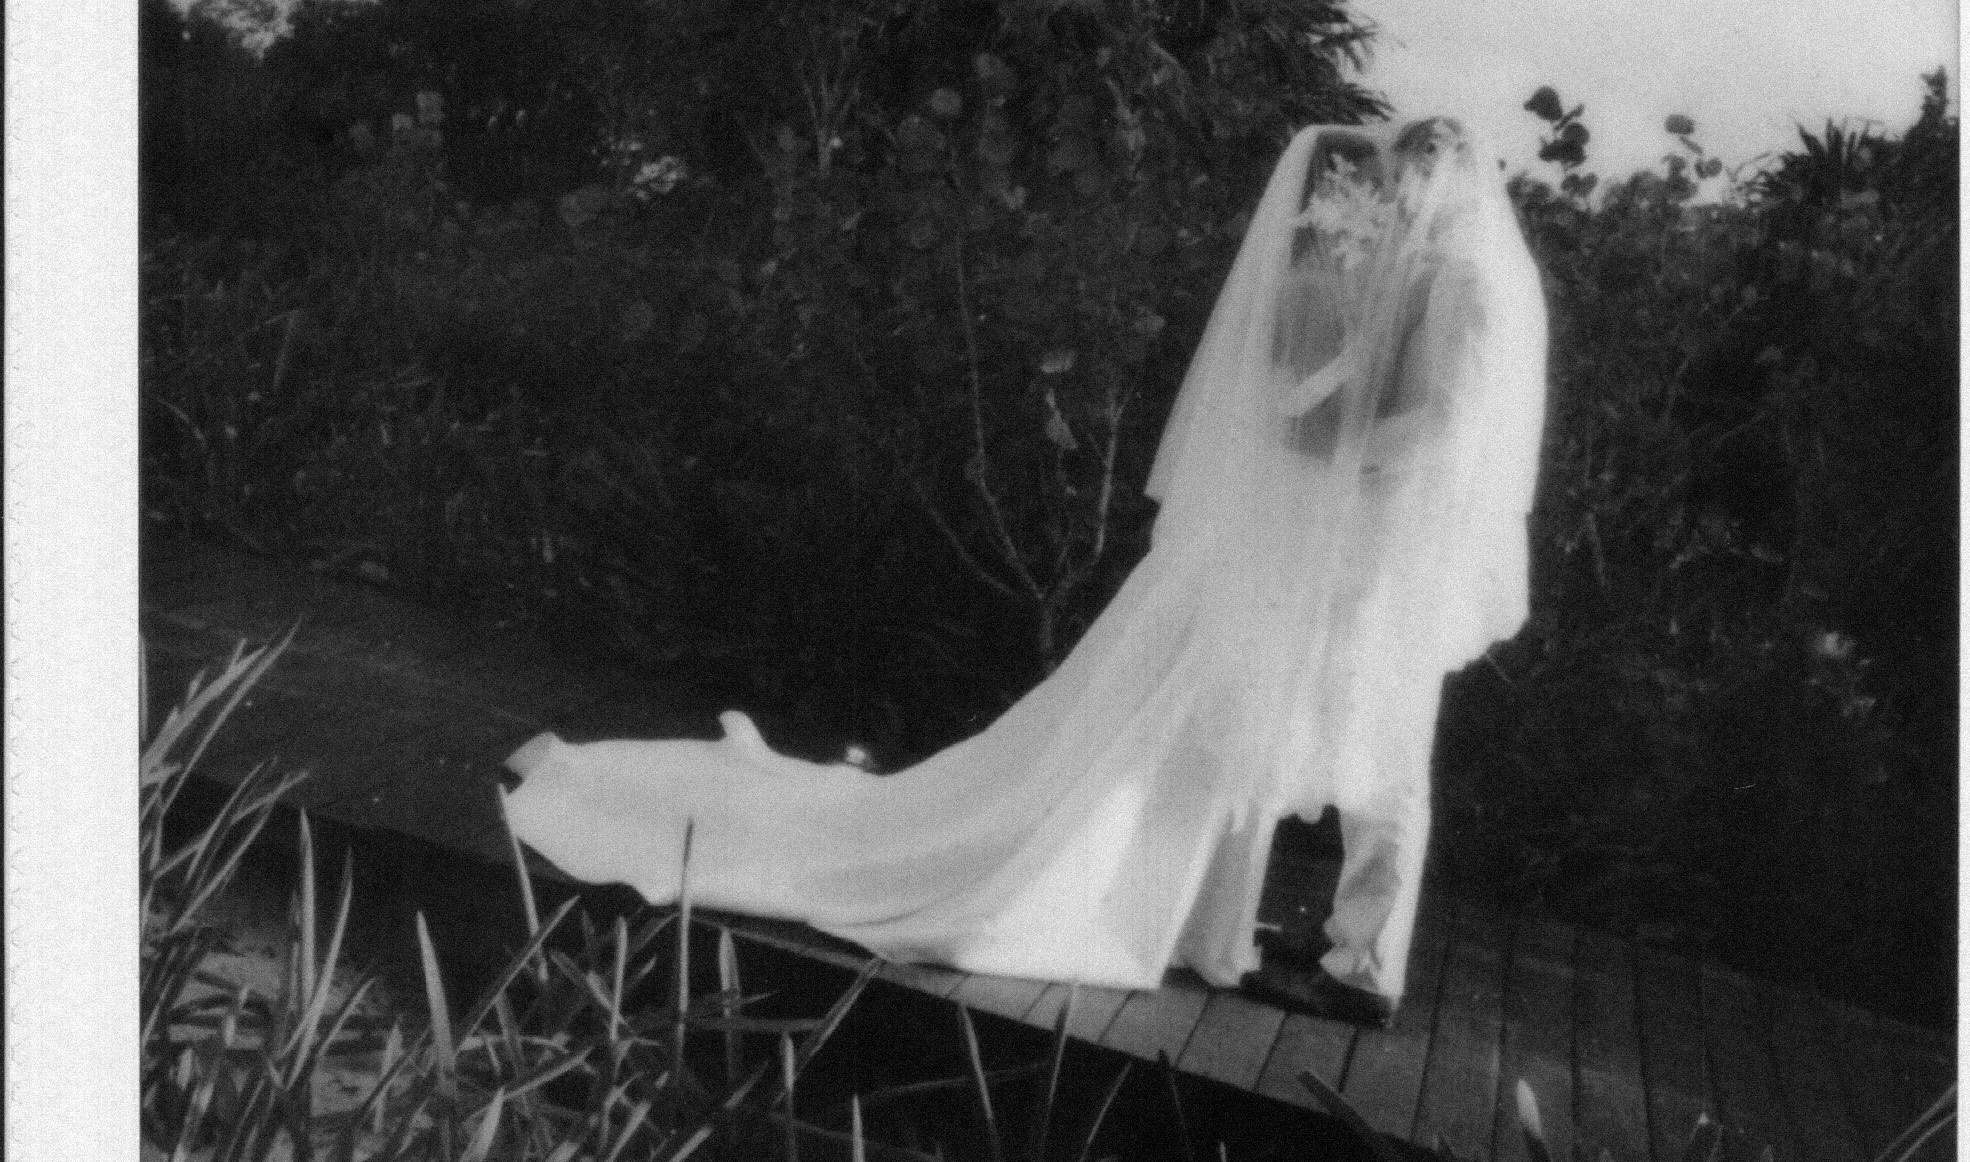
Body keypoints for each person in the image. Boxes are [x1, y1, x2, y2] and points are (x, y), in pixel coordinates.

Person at [502, 115, 1548, 1012]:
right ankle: (1242, 932)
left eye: (1418, 176)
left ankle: (1357, 964)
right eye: (1400, 174)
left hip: (1388, 552)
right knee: (1269, 721)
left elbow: (1442, 426)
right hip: (1337, 545)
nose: (1404, 194)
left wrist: (1320, 450)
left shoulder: (1462, 284)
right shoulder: (1408, 277)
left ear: (1451, 183)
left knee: (1375, 749)